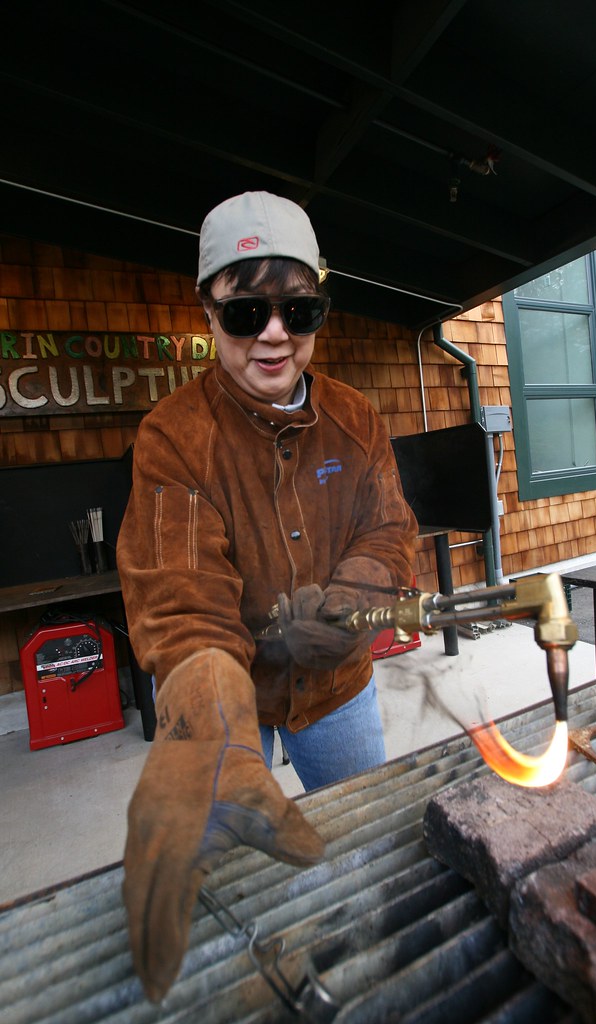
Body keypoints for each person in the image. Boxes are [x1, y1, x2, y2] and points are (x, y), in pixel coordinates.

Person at [117, 190, 418, 1001]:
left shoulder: (355, 418)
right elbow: (181, 598)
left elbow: (388, 531)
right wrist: (209, 726)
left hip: (337, 690)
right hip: (232, 696)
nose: (275, 333)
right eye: (246, 312)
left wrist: (351, 602)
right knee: (238, 879)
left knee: (362, 843)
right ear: (208, 312)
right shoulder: (174, 436)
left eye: (298, 309)